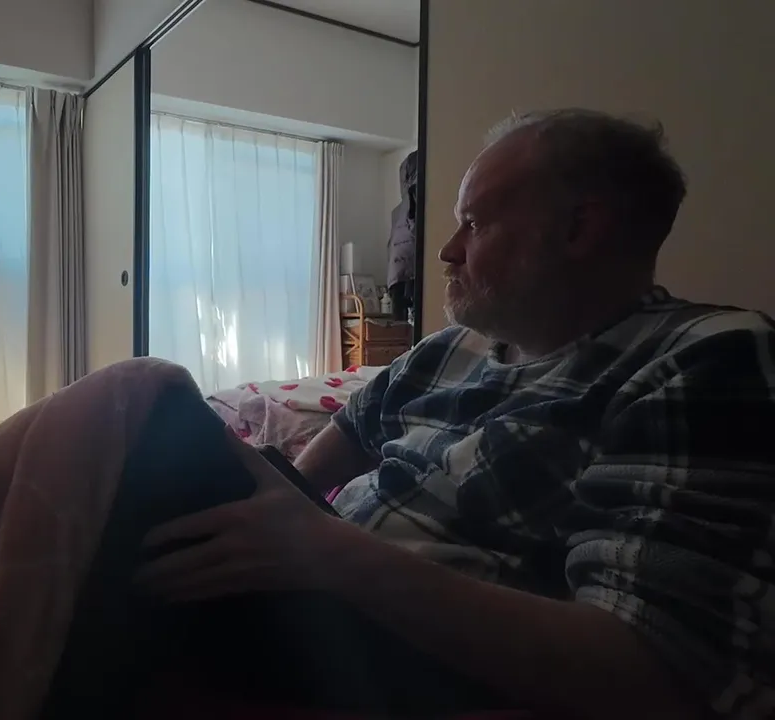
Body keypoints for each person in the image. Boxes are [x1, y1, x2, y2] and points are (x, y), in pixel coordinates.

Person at [137, 109, 775, 719]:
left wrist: (326, 553)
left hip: (411, 654)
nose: (445, 250)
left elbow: (652, 677)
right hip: (309, 593)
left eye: (473, 224)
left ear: (579, 228)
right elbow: (346, 435)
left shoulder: (704, 357)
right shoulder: (450, 347)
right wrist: (275, 509)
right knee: (146, 439)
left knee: (134, 400)